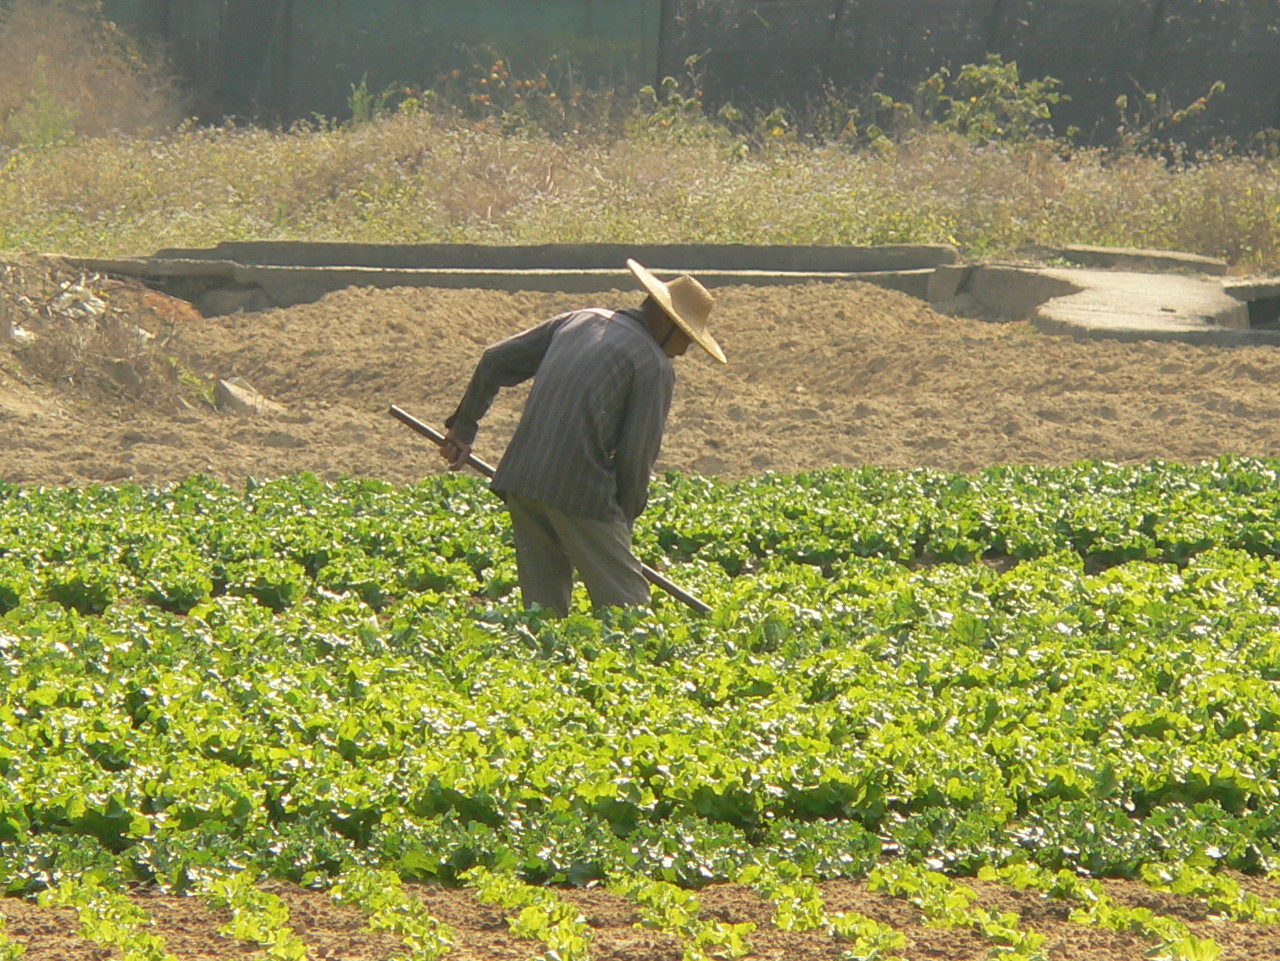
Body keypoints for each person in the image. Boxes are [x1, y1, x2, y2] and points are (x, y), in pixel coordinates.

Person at [440, 259, 726, 616]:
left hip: (522, 478)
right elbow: (636, 458)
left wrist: (464, 428)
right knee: (630, 612)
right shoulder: (653, 365)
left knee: (543, 614)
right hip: (579, 488)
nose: (684, 351)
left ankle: (543, 667)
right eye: (686, 337)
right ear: (666, 321)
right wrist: (623, 523)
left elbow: (494, 360)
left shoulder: (581, 319)